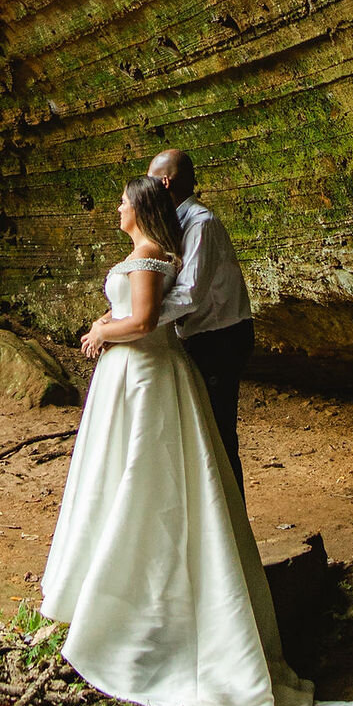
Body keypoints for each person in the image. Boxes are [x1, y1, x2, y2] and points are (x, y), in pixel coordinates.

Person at [40, 175, 353, 706]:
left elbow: (144, 323)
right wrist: (106, 324)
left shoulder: (150, 258)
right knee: (118, 478)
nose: (117, 207)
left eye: (123, 200)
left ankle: (133, 611)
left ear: (140, 207)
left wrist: (102, 330)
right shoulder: (146, 255)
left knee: (145, 481)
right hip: (130, 377)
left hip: (147, 376)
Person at [148, 146, 253, 486]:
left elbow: (189, 293)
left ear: (165, 183)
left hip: (219, 338)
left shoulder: (200, 224)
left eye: (150, 179)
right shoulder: (177, 224)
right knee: (201, 434)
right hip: (203, 335)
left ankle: (231, 514)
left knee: (218, 435)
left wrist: (141, 319)